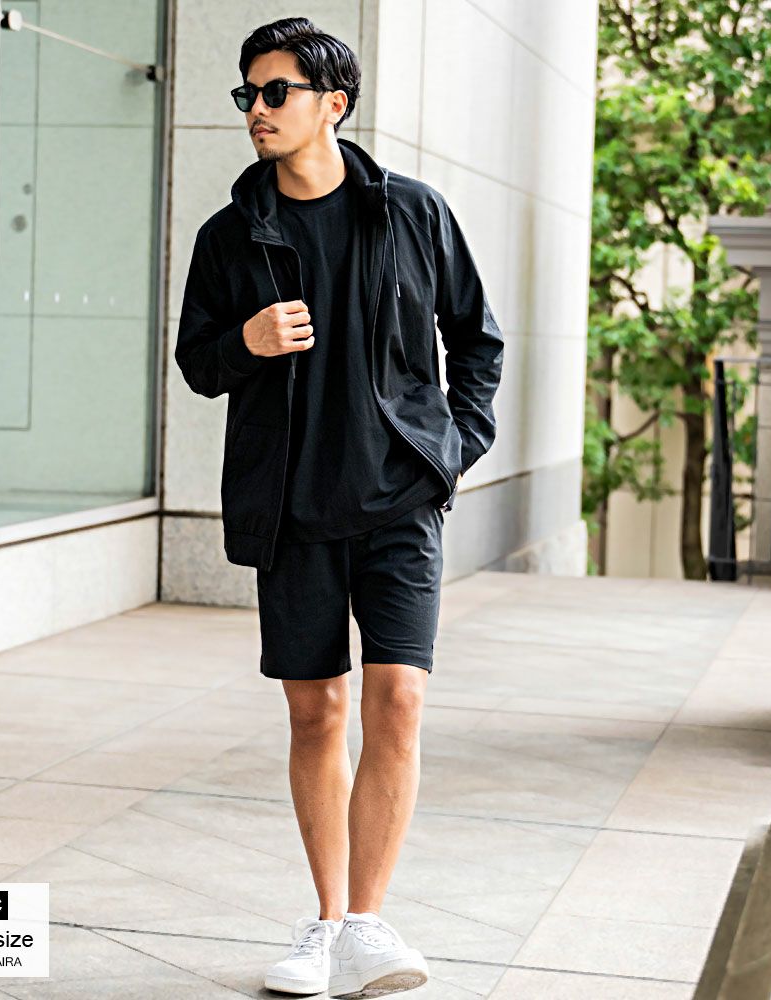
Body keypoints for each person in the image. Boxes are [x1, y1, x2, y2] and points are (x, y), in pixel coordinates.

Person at [174, 16, 503, 998]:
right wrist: (246, 342)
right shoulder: (230, 236)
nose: (257, 110)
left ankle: (367, 921)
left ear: (333, 104)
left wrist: (451, 449)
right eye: (248, 94)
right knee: (317, 712)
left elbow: (475, 339)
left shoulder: (413, 213)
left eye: (276, 92)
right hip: (292, 509)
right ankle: (325, 925)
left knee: (399, 699)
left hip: (399, 501)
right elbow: (197, 361)